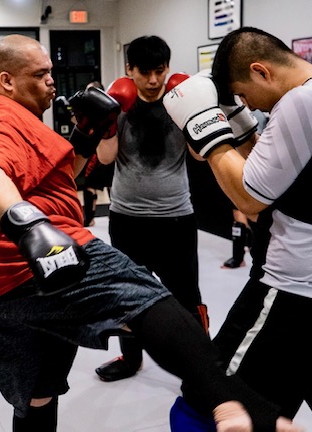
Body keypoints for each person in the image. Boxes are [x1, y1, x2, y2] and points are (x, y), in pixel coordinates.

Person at [0, 33, 303, 432]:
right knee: (144, 297)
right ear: (6, 81)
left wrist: (87, 134)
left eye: (51, 73)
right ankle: (235, 405)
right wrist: (29, 226)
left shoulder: (10, 120)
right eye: (41, 74)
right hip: (26, 254)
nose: (51, 82)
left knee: (38, 390)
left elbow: (55, 178)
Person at [163, 26, 312, 432]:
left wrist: (205, 127)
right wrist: (240, 127)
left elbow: (250, 198)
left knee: (202, 407)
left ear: (262, 72)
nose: (248, 104)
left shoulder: (305, 101)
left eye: (243, 95)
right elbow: (280, 180)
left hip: (290, 296)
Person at [93, 35, 209, 382]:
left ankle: (200, 367)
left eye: (160, 71)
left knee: (187, 295)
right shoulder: (118, 105)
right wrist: (108, 121)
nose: (154, 80)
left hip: (176, 218)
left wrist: (195, 116)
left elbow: (199, 156)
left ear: (168, 69)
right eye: (145, 72)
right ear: (129, 70)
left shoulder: (181, 102)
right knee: (128, 294)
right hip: (128, 218)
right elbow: (105, 157)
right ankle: (131, 359)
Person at [221, 109, 266, 269]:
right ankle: (239, 256)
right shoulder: (232, 113)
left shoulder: (255, 116)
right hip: (237, 171)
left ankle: (245, 254)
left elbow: (253, 147)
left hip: (251, 174)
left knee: (248, 215)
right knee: (238, 215)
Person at [80, 81, 114, 227]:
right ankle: (96, 217)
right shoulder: (109, 108)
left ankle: (89, 218)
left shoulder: (100, 111)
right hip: (103, 153)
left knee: (90, 184)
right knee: (110, 184)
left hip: (101, 153)